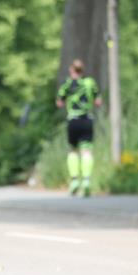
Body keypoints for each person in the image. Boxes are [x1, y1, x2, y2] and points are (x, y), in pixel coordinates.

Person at [56, 59, 102, 197]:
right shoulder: (90, 83)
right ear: (82, 70)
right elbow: (98, 102)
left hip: (73, 121)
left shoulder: (67, 84)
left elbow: (59, 103)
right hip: (87, 119)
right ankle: (86, 181)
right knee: (87, 151)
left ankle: (75, 180)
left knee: (73, 151)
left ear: (71, 70)